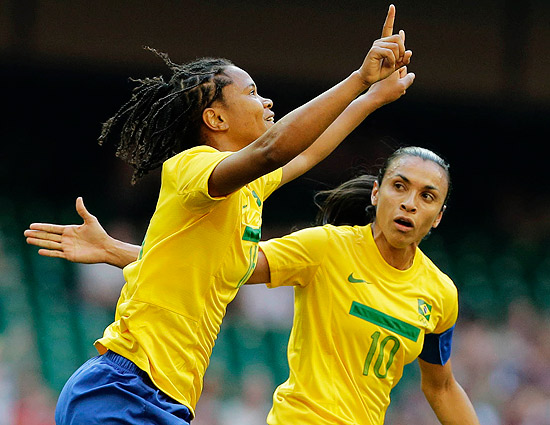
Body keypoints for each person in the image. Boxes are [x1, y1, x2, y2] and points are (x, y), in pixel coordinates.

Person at [25, 5, 414, 424]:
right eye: (250, 93)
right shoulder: (192, 167)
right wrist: (356, 78)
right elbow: (275, 149)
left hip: (166, 402)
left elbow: (308, 152)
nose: (266, 100)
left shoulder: (250, 188)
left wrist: (371, 97)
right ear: (215, 118)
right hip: (122, 390)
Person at [27, 146, 481, 424]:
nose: (409, 203)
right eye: (400, 186)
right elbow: (223, 268)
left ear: (438, 216)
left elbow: (440, 387)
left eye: (427, 196)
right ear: (377, 193)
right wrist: (116, 251)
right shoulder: (326, 248)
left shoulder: (440, 294)